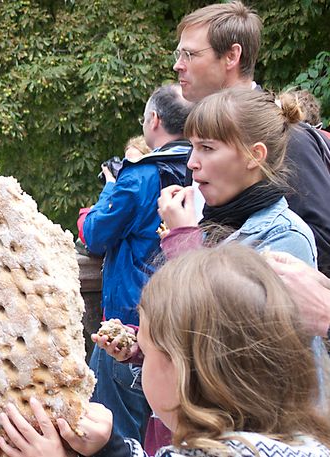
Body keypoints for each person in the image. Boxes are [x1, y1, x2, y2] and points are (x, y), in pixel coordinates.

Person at [0, 244, 330, 457]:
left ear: (182, 371)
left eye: (147, 347)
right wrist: (111, 449)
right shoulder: (302, 443)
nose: (139, 353)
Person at [172, 0, 330, 276]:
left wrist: (191, 245)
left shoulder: (285, 134)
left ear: (232, 56)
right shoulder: (204, 141)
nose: (177, 66)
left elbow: (322, 241)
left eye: (189, 54)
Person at [82, 84, 193, 442]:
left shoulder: (141, 174)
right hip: (183, 332)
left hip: (130, 331)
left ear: (153, 120)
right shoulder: (201, 168)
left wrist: (112, 184)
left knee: (114, 434)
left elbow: (96, 233)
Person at [158, 88, 316, 266]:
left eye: (207, 148)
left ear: (254, 155)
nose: (191, 163)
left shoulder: (285, 237)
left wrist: (183, 242)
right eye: (192, 147)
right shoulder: (210, 226)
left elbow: (202, 294)